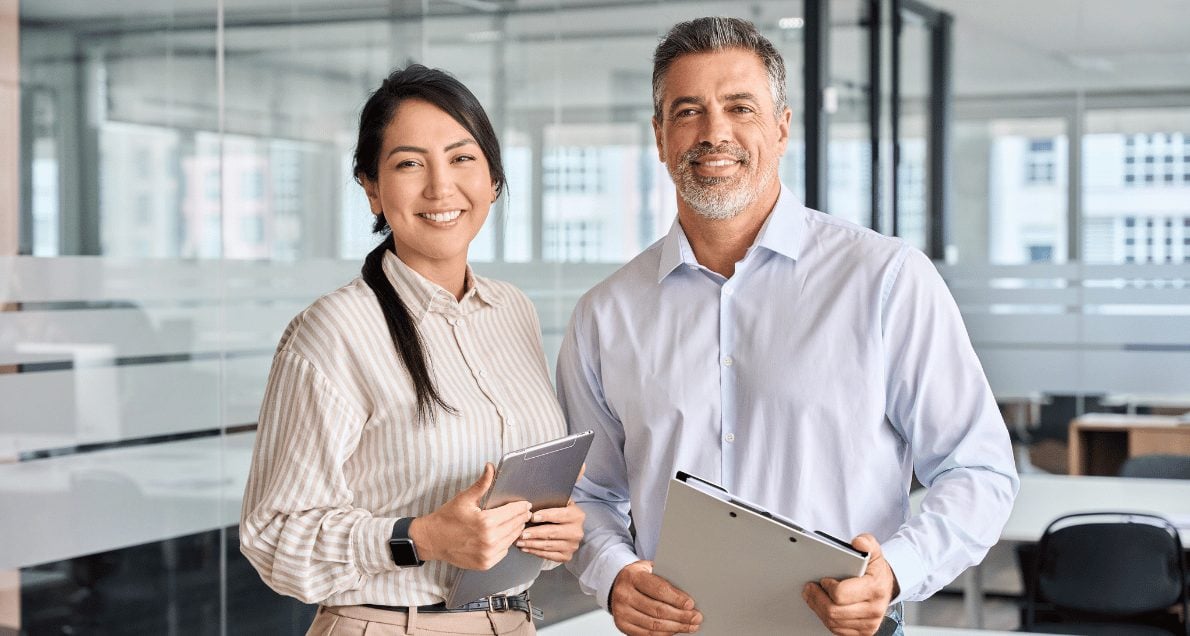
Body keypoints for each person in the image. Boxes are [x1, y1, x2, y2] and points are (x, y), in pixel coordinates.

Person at [556, 17, 1019, 636]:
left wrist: (895, 570)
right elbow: (588, 494)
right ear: (660, 137)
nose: (714, 132)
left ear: (781, 128)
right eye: (688, 111)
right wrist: (614, 573)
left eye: (740, 107)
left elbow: (977, 469)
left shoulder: (886, 280)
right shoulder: (605, 315)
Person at [240, 65, 584, 636]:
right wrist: (418, 537)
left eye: (461, 158)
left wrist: (552, 534)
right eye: (408, 164)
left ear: (494, 179)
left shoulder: (513, 312)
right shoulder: (335, 329)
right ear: (371, 188)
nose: (439, 187)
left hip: (513, 622)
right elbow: (274, 537)